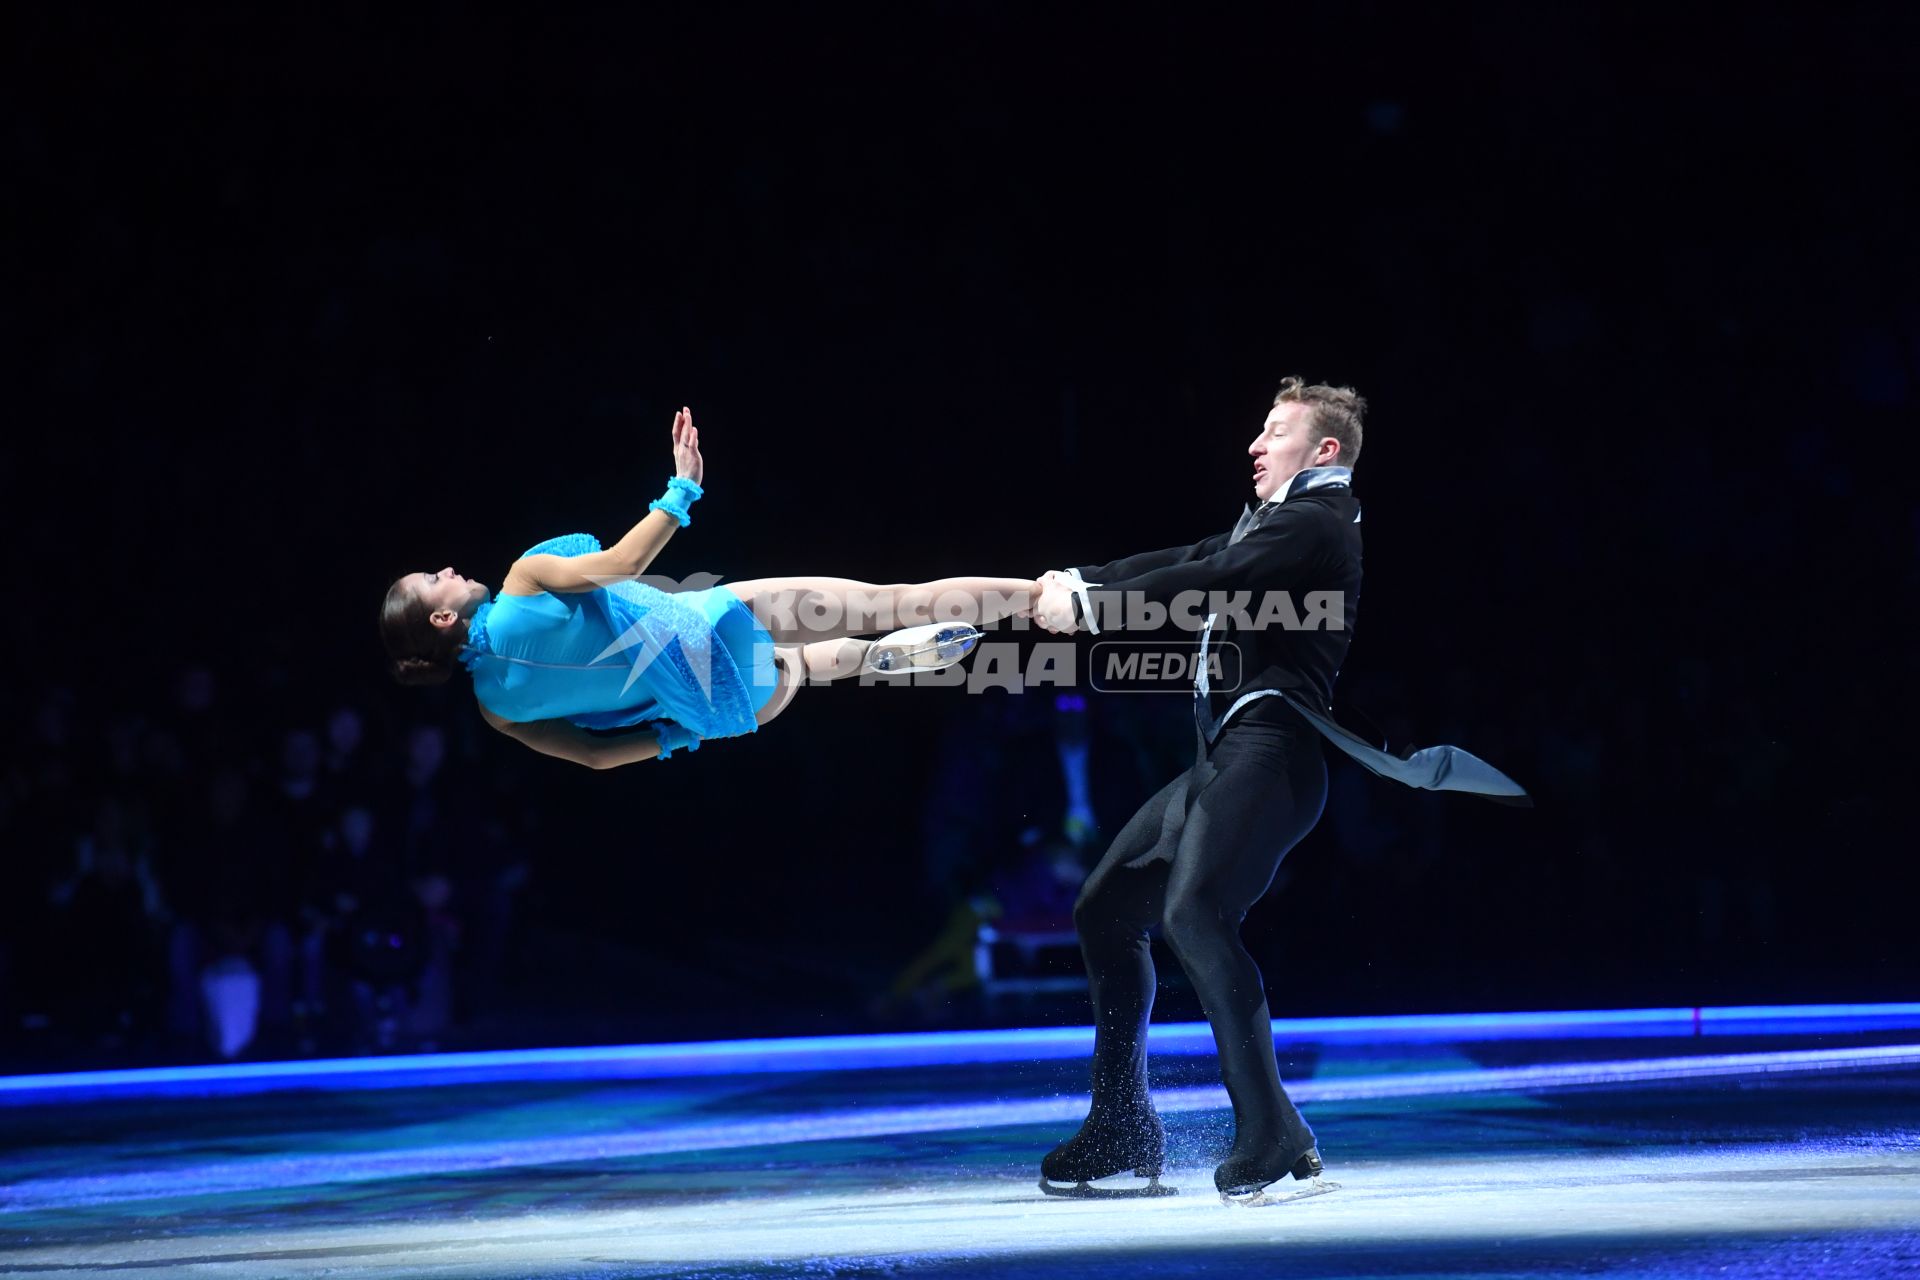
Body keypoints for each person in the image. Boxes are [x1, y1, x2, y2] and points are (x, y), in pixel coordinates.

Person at [1029, 377, 1526, 1206]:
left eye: (1274, 432)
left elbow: (1216, 580)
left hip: (1276, 757)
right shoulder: (1276, 520)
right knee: (1106, 910)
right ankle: (1121, 1122)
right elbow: (1189, 559)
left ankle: (1273, 1129)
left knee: (1193, 915)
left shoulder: (1319, 521)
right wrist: (1079, 578)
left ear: (1324, 451)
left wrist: (1091, 605)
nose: (1255, 446)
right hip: (1227, 759)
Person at [379, 408, 1040, 768]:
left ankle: (870, 661)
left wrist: (677, 735)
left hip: (725, 704)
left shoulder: (499, 709)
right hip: (705, 626)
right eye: (433, 582)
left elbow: (593, 757)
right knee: (895, 601)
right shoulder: (523, 582)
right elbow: (621, 567)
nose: (446, 571)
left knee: (800, 667)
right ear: (439, 621)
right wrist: (681, 489)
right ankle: (1044, 595)